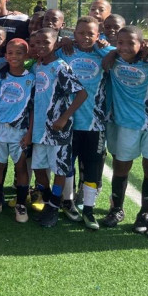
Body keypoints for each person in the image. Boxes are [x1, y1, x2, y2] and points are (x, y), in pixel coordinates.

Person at [101, 25, 148, 230]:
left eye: (131, 43)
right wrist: (111, 52)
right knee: (121, 167)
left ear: (142, 44)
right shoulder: (114, 59)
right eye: (120, 42)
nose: (125, 47)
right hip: (125, 125)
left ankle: (145, 214)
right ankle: (116, 209)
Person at [57, 16, 112, 229]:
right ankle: (68, 202)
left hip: (94, 123)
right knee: (67, 164)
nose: (86, 37)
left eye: (91, 33)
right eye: (81, 33)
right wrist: (62, 41)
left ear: (98, 35)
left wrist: (105, 46)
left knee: (92, 167)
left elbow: (117, 56)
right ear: (74, 34)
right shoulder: (66, 52)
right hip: (68, 122)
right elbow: (46, 54)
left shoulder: (103, 54)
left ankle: (89, 210)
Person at [30, 28, 87, 228]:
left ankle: (54, 206)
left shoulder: (60, 67)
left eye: (45, 42)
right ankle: (47, 201)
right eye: (37, 43)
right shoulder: (37, 66)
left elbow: (81, 93)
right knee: (38, 167)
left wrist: (64, 117)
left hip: (57, 129)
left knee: (59, 169)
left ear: (55, 44)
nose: (41, 46)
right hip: (39, 129)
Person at [0, 38, 34, 222]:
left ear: (26, 56)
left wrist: (29, 133)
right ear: (5, 55)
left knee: (20, 167)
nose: (14, 56)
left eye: (19, 53)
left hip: (19, 131)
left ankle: (21, 204)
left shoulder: (31, 78)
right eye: (10, 53)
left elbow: (32, 108)